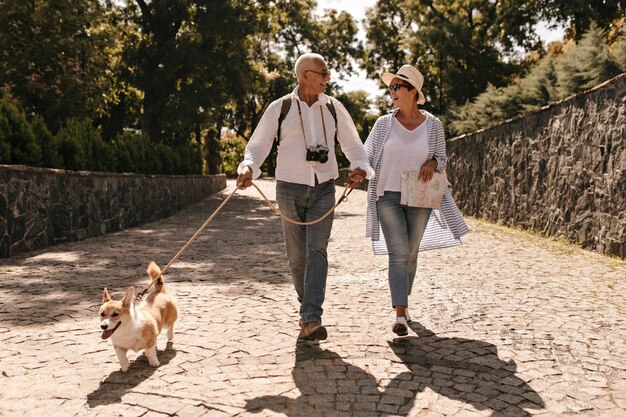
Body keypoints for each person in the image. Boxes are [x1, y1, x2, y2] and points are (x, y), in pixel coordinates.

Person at [237, 53, 374, 342]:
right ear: (305, 76)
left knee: (317, 250)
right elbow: (259, 143)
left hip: (324, 186)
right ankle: (307, 311)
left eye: (327, 73)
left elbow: (353, 144)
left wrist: (359, 167)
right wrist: (249, 167)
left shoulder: (334, 108)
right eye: (323, 73)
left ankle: (311, 316)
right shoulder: (281, 107)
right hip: (289, 187)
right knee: (297, 256)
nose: (327, 78)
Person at [364, 64, 469, 336]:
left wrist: (433, 162)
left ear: (413, 91)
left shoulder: (433, 125)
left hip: (420, 195)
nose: (392, 92)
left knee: (410, 253)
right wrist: (356, 172)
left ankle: (403, 301)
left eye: (397, 87)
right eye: (391, 87)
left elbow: (443, 160)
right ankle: (400, 313)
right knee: (398, 253)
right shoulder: (383, 123)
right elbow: (366, 154)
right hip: (386, 194)